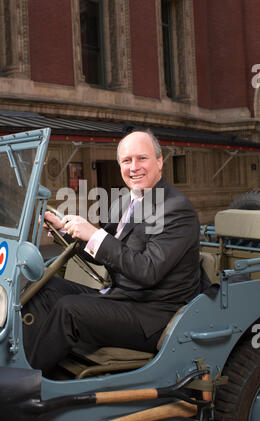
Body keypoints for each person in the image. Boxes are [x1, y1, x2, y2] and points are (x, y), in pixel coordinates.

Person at [22, 130, 201, 376]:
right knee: (45, 287)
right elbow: (103, 252)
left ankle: (27, 381)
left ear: (160, 162)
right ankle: (32, 363)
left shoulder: (176, 209)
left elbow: (148, 271)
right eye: (126, 161)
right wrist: (64, 231)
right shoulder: (127, 201)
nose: (133, 167)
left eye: (142, 158)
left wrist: (94, 234)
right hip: (121, 298)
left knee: (69, 309)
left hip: (154, 316)